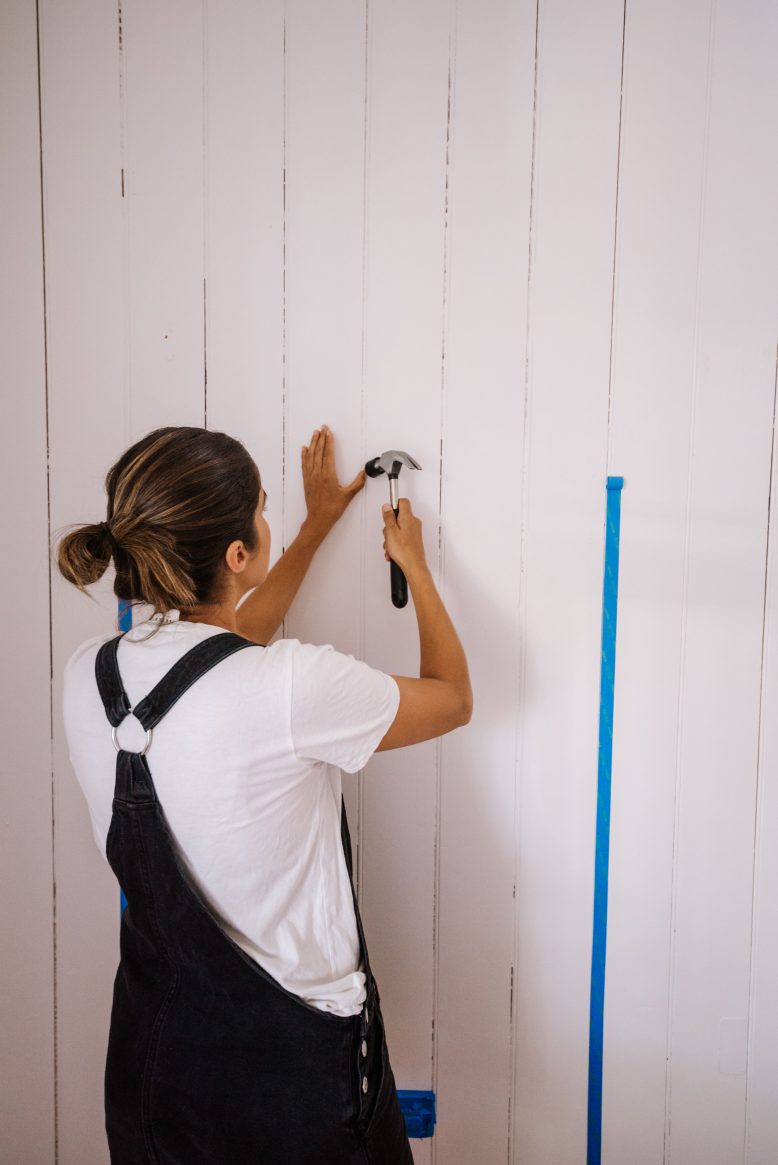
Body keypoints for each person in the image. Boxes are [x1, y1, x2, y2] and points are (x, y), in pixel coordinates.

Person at [56, 423, 472, 1164]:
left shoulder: (92, 674)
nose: (269, 517)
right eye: (264, 509)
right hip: (288, 1085)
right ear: (238, 553)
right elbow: (451, 697)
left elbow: (220, 649)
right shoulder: (291, 684)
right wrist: (417, 563)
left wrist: (313, 529)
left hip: (153, 1072)